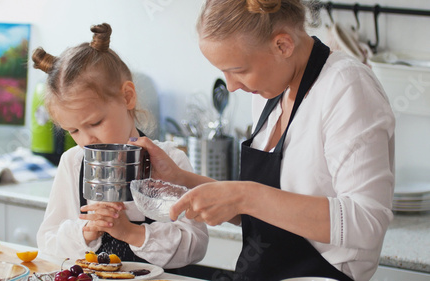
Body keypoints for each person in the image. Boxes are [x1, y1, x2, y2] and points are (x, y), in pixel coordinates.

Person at [131, 0, 395, 280]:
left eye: (239, 70)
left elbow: (368, 222)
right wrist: (179, 177)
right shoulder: (273, 90)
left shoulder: (346, 86)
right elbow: (265, 215)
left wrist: (244, 195)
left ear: (283, 45)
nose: (231, 86)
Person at [32, 23, 208, 268]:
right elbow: (48, 242)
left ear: (127, 97)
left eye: (95, 122)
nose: (86, 140)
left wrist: (130, 232)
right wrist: (87, 231)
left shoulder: (170, 161)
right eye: (73, 131)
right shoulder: (72, 163)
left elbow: (195, 245)